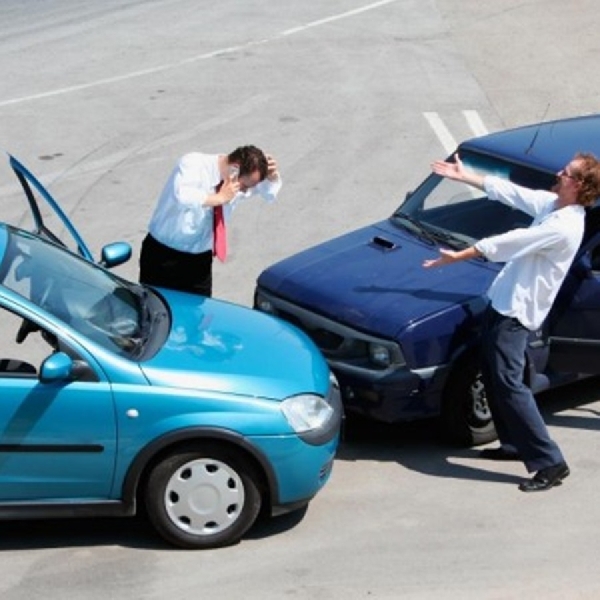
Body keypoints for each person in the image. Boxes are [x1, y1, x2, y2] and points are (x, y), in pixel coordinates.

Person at [423, 152, 600, 492]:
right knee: (495, 376)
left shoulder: (563, 226)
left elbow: (511, 242)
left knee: (509, 384)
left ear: (577, 186)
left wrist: (460, 255)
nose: (558, 172)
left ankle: (550, 462)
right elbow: (512, 191)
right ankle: (514, 445)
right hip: (502, 303)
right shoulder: (553, 205)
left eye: (566, 172)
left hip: (517, 314)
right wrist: (464, 176)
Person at [139, 145, 282, 297]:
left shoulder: (235, 182)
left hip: (199, 262)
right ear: (235, 168)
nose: (245, 191)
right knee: (154, 312)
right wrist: (219, 198)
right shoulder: (193, 163)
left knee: (200, 314)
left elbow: (269, 194)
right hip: (164, 256)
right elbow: (182, 195)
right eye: (245, 186)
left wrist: (272, 177)